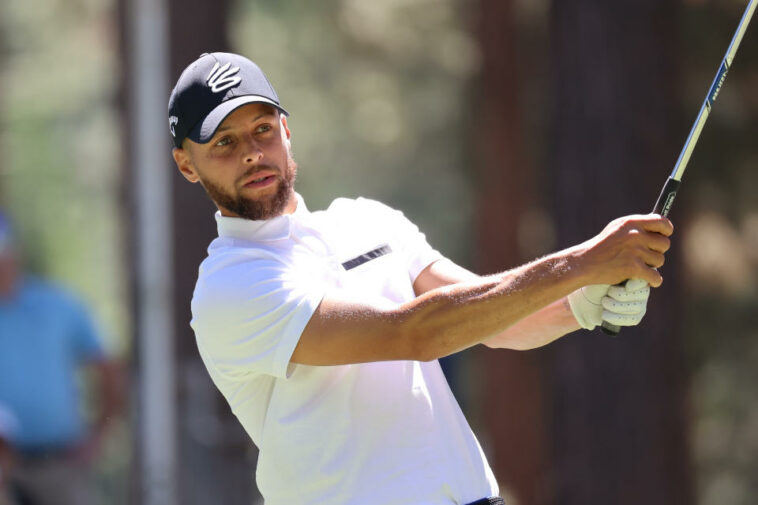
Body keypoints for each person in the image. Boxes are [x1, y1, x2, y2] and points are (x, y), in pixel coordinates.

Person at [168, 52, 673, 505]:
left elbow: (495, 320)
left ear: (286, 129)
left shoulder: (367, 219)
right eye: (225, 143)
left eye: (262, 129)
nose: (253, 153)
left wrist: (582, 303)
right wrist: (580, 264)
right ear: (187, 165)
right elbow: (411, 333)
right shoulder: (228, 286)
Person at [0, 212, 123, 505]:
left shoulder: (59, 306)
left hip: (61, 465)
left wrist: (98, 437)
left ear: (15, 254)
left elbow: (107, 368)